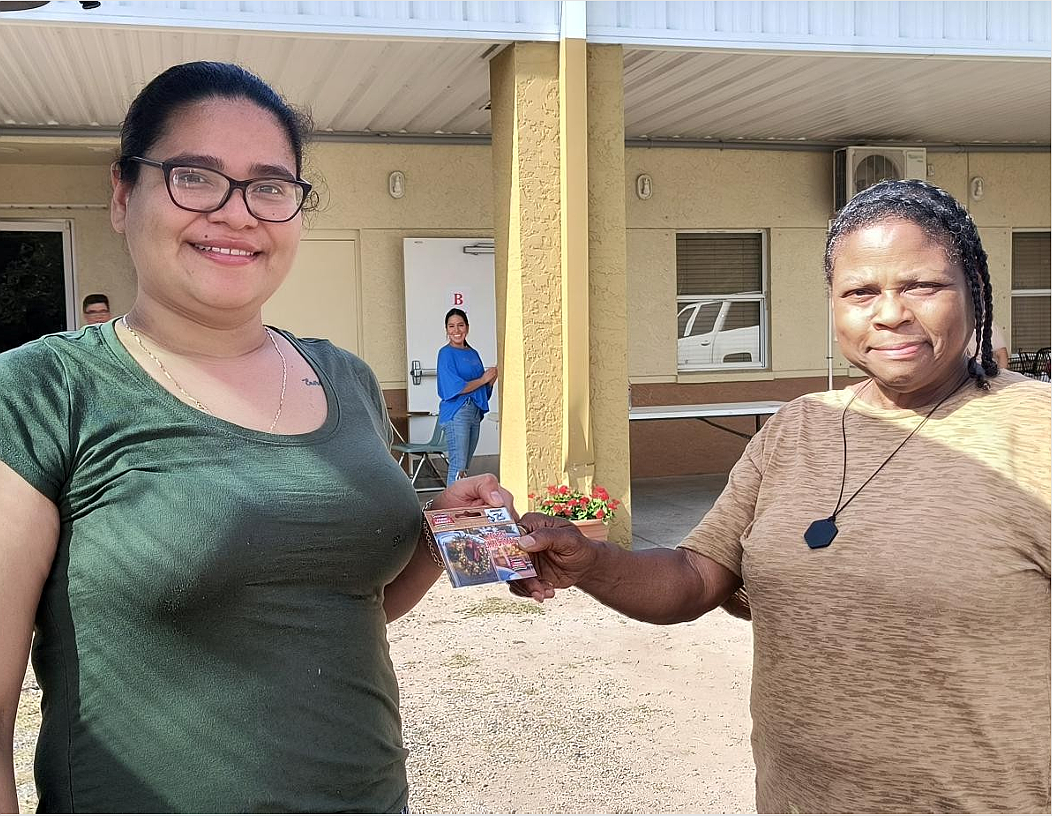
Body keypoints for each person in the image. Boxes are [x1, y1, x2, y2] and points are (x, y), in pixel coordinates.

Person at [0, 61, 514, 814]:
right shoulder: (45, 391)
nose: (237, 214)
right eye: (195, 177)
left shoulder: (344, 379)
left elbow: (337, 607)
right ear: (122, 193)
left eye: (270, 186)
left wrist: (444, 538)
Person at [514, 179, 1051, 813]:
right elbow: (695, 576)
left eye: (922, 286)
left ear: (975, 291)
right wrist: (592, 562)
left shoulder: (1037, 430)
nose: (890, 314)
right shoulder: (797, 429)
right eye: (860, 293)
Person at [436, 307, 497, 486]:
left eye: (460, 325)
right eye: (451, 326)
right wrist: (483, 378)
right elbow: (454, 387)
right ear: (446, 330)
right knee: (458, 466)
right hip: (457, 412)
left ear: (467, 328)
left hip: (474, 412)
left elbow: (481, 388)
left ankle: (460, 507)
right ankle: (450, 510)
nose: (456, 330)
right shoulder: (445, 353)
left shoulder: (473, 353)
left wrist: (491, 380)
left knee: (465, 467)